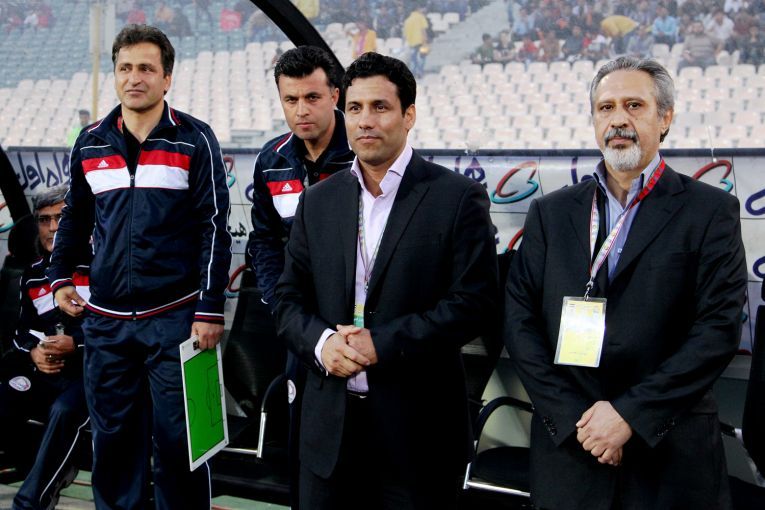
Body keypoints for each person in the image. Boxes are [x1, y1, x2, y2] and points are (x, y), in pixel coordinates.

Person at [505, 56, 747, 510]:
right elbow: (520, 322)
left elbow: (716, 331)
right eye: (606, 107)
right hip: (572, 453)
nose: (618, 119)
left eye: (634, 105)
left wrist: (629, 415)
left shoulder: (710, 212)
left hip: (669, 456)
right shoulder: (551, 213)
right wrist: (578, 421)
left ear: (665, 118)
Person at [275, 51, 498, 510]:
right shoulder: (318, 202)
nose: (365, 121)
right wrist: (322, 344)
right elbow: (288, 299)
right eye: (355, 108)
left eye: (380, 107)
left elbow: (474, 304)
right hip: (329, 430)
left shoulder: (457, 198)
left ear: (408, 115)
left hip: (417, 435)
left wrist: (383, 343)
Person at [47, 25, 231, 510]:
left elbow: (214, 226)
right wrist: (60, 278)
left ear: (166, 78)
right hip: (106, 324)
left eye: (146, 68)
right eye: (125, 68)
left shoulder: (195, 139)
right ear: (114, 75)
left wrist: (209, 308)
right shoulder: (90, 141)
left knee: (181, 444)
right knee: (112, 445)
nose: (135, 78)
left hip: (177, 319)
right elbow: (74, 217)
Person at [245, 45, 354, 509]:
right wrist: (278, 303)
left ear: (335, 95)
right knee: (303, 445)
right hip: (299, 326)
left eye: (312, 97)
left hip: (354, 326)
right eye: (291, 100)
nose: (301, 110)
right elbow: (264, 240)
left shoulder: (364, 152)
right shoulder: (271, 160)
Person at [0, 185, 90, 510]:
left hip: (90, 372)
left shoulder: (102, 268)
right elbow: (21, 333)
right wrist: (33, 352)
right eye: (44, 219)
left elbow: (120, 330)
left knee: (65, 410)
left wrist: (76, 343)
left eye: (60, 218)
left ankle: (29, 504)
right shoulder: (33, 275)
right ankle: (41, 469)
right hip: (45, 371)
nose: (52, 227)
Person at [403, 6, 429, 78]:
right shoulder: (421, 17)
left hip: (412, 43)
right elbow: (423, 30)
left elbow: (405, 34)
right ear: (417, 9)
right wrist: (426, 40)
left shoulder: (407, 20)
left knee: (413, 59)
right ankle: (420, 72)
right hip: (422, 42)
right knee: (422, 57)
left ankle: (414, 72)